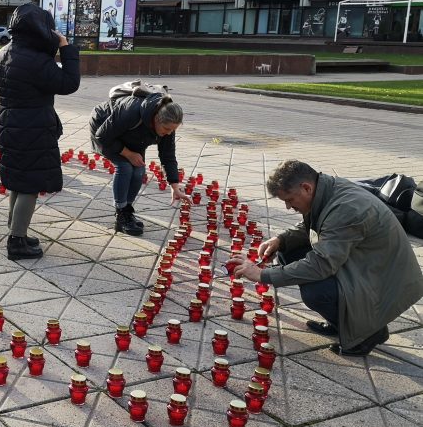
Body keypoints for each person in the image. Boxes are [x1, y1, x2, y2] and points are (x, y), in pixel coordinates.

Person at [230, 160, 423, 356]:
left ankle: (370, 332)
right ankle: (342, 321)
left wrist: (263, 274)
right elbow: (322, 225)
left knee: (316, 291)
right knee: (288, 251)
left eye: (289, 199)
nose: (288, 207)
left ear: (306, 187)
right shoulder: (326, 188)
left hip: (384, 280)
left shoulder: (346, 208)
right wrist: (281, 239)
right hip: (364, 262)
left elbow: (320, 265)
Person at [0, 3, 80, 261]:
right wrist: (66, 49)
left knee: (18, 179)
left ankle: (15, 231)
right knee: (29, 183)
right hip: (32, 124)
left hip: (9, 120)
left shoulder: (4, 52)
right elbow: (69, 83)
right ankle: (17, 242)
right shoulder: (35, 60)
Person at [90, 85, 190, 235]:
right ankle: (121, 215)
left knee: (139, 171)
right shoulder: (131, 112)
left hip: (133, 137)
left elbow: (167, 155)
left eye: (172, 130)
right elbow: (102, 136)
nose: (168, 133)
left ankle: (127, 211)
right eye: (166, 129)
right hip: (104, 128)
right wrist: (128, 153)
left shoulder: (168, 122)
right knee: (125, 167)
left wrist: (174, 185)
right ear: (156, 119)